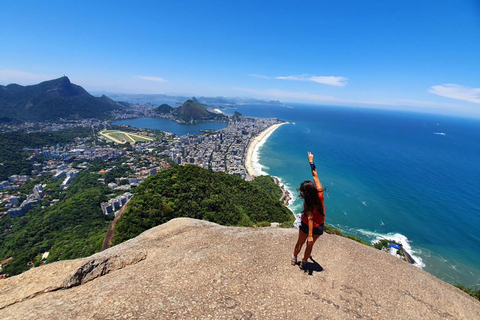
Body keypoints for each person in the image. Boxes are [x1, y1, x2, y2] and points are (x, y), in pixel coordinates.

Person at [292, 151, 325, 270]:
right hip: (319, 225)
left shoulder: (308, 203)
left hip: (307, 225)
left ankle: (294, 258)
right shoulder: (320, 192)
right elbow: (315, 175)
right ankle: (304, 262)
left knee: (300, 242)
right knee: (309, 246)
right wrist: (311, 162)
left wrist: (309, 235)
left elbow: (310, 218)